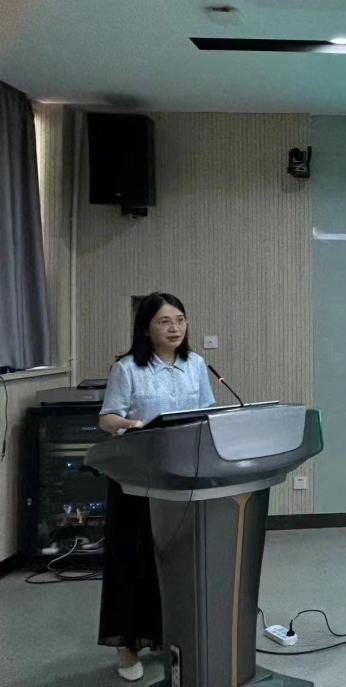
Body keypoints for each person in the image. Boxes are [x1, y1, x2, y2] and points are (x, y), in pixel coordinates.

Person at [96, 292, 216, 681]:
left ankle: (167, 634)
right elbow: (107, 418)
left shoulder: (196, 365)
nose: (174, 328)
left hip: (182, 479)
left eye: (180, 319)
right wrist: (128, 424)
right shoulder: (127, 368)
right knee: (134, 562)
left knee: (174, 561)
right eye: (164, 321)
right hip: (137, 478)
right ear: (146, 328)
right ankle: (127, 647)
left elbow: (208, 412)